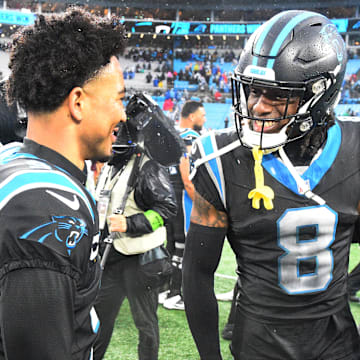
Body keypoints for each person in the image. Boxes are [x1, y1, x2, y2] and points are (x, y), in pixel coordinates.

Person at [183, 10, 360, 360]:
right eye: (252, 91)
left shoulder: (354, 151)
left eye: (276, 95)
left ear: (319, 96)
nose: (257, 106)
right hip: (259, 344)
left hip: (337, 343)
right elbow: (197, 273)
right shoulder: (220, 158)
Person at [0, 8, 127, 359]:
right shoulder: (44, 206)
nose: (123, 112)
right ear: (78, 103)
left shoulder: (15, 159)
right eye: (118, 97)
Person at [93, 107, 177, 360]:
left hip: (141, 260)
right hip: (111, 257)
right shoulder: (110, 165)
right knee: (99, 320)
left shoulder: (148, 167)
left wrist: (131, 223)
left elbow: (167, 209)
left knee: (145, 324)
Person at [163, 100, 206, 310]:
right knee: (182, 245)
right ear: (191, 116)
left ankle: (164, 290)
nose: (204, 119)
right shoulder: (189, 137)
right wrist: (202, 204)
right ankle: (174, 294)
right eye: (202, 115)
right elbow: (186, 174)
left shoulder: (172, 133)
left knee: (171, 244)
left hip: (169, 193)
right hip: (181, 195)